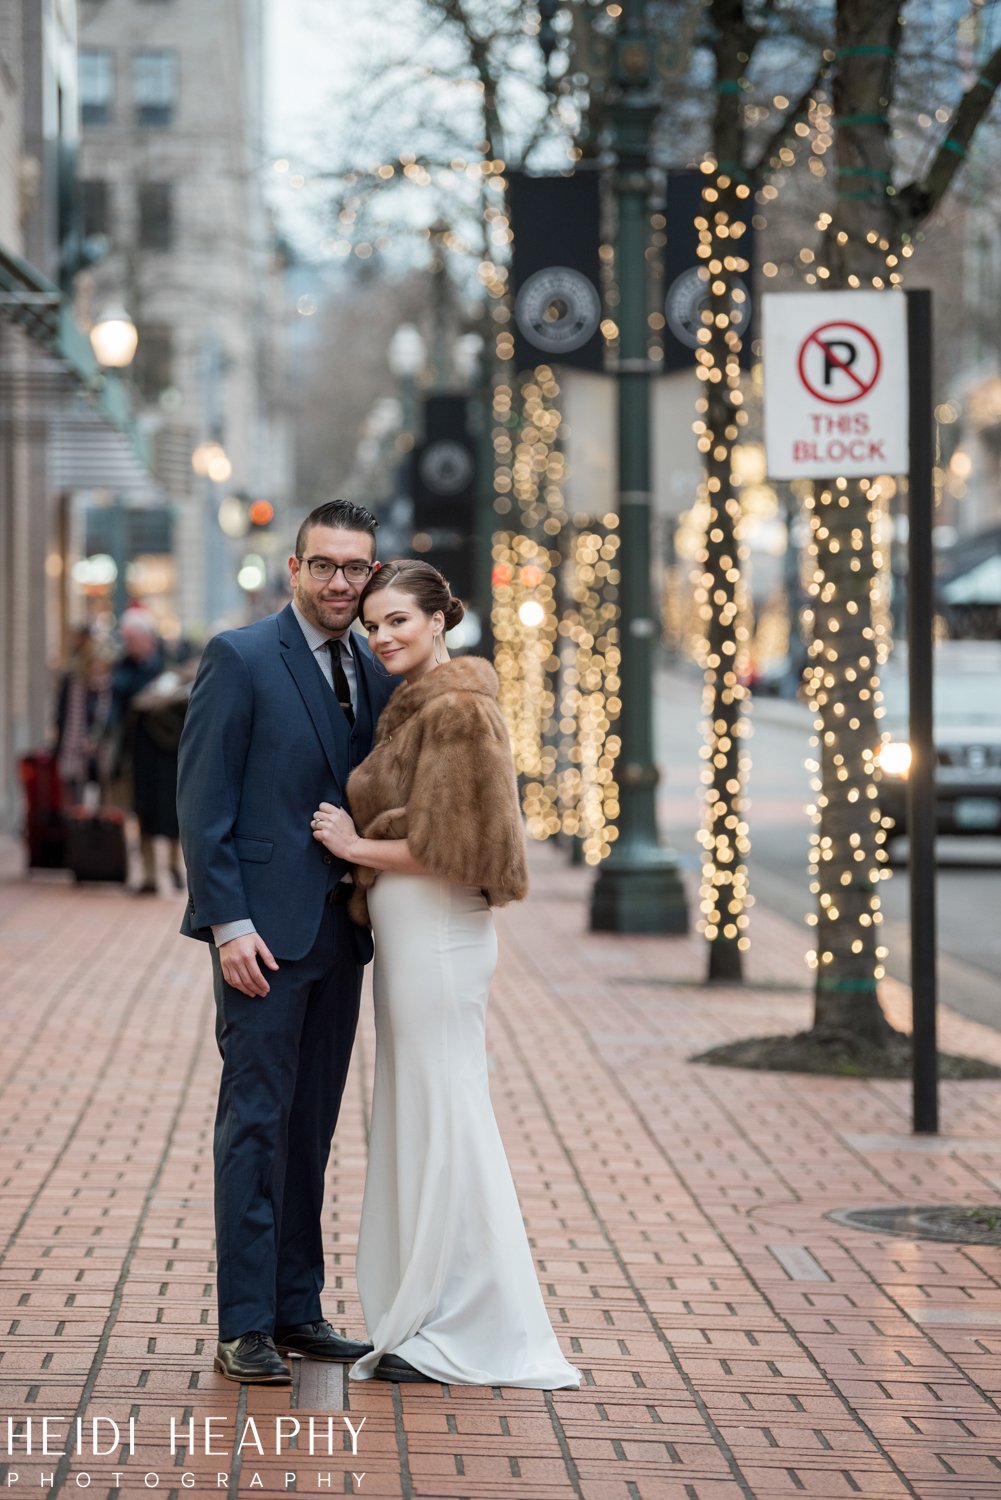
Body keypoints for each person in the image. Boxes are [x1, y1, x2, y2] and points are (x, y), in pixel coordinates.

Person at [310, 559, 580, 1390]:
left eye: (399, 620)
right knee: (424, 1114)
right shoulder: (417, 707)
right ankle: (434, 1314)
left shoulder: (457, 709)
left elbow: (457, 849)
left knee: (444, 1115)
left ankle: (462, 1325)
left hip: (436, 936)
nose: (383, 635)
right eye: (374, 623)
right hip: (415, 939)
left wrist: (355, 848)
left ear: (438, 620)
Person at [176, 499, 397, 1385]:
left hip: (339, 936)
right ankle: (244, 1325)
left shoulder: (374, 667)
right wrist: (227, 926)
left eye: (357, 569)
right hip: (260, 939)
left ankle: (298, 1308)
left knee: (311, 1128)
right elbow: (203, 805)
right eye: (326, 566)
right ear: (294, 568)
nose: (342, 583)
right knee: (255, 1125)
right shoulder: (239, 657)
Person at [109, 611, 181, 893]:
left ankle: (175, 869)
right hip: (140, 752)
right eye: (126, 640)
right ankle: (150, 875)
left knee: (174, 811)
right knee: (144, 811)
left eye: (133, 639)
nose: (129, 645)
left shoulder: (168, 666)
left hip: (172, 752)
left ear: (147, 638)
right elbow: (118, 704)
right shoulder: (124, 669)